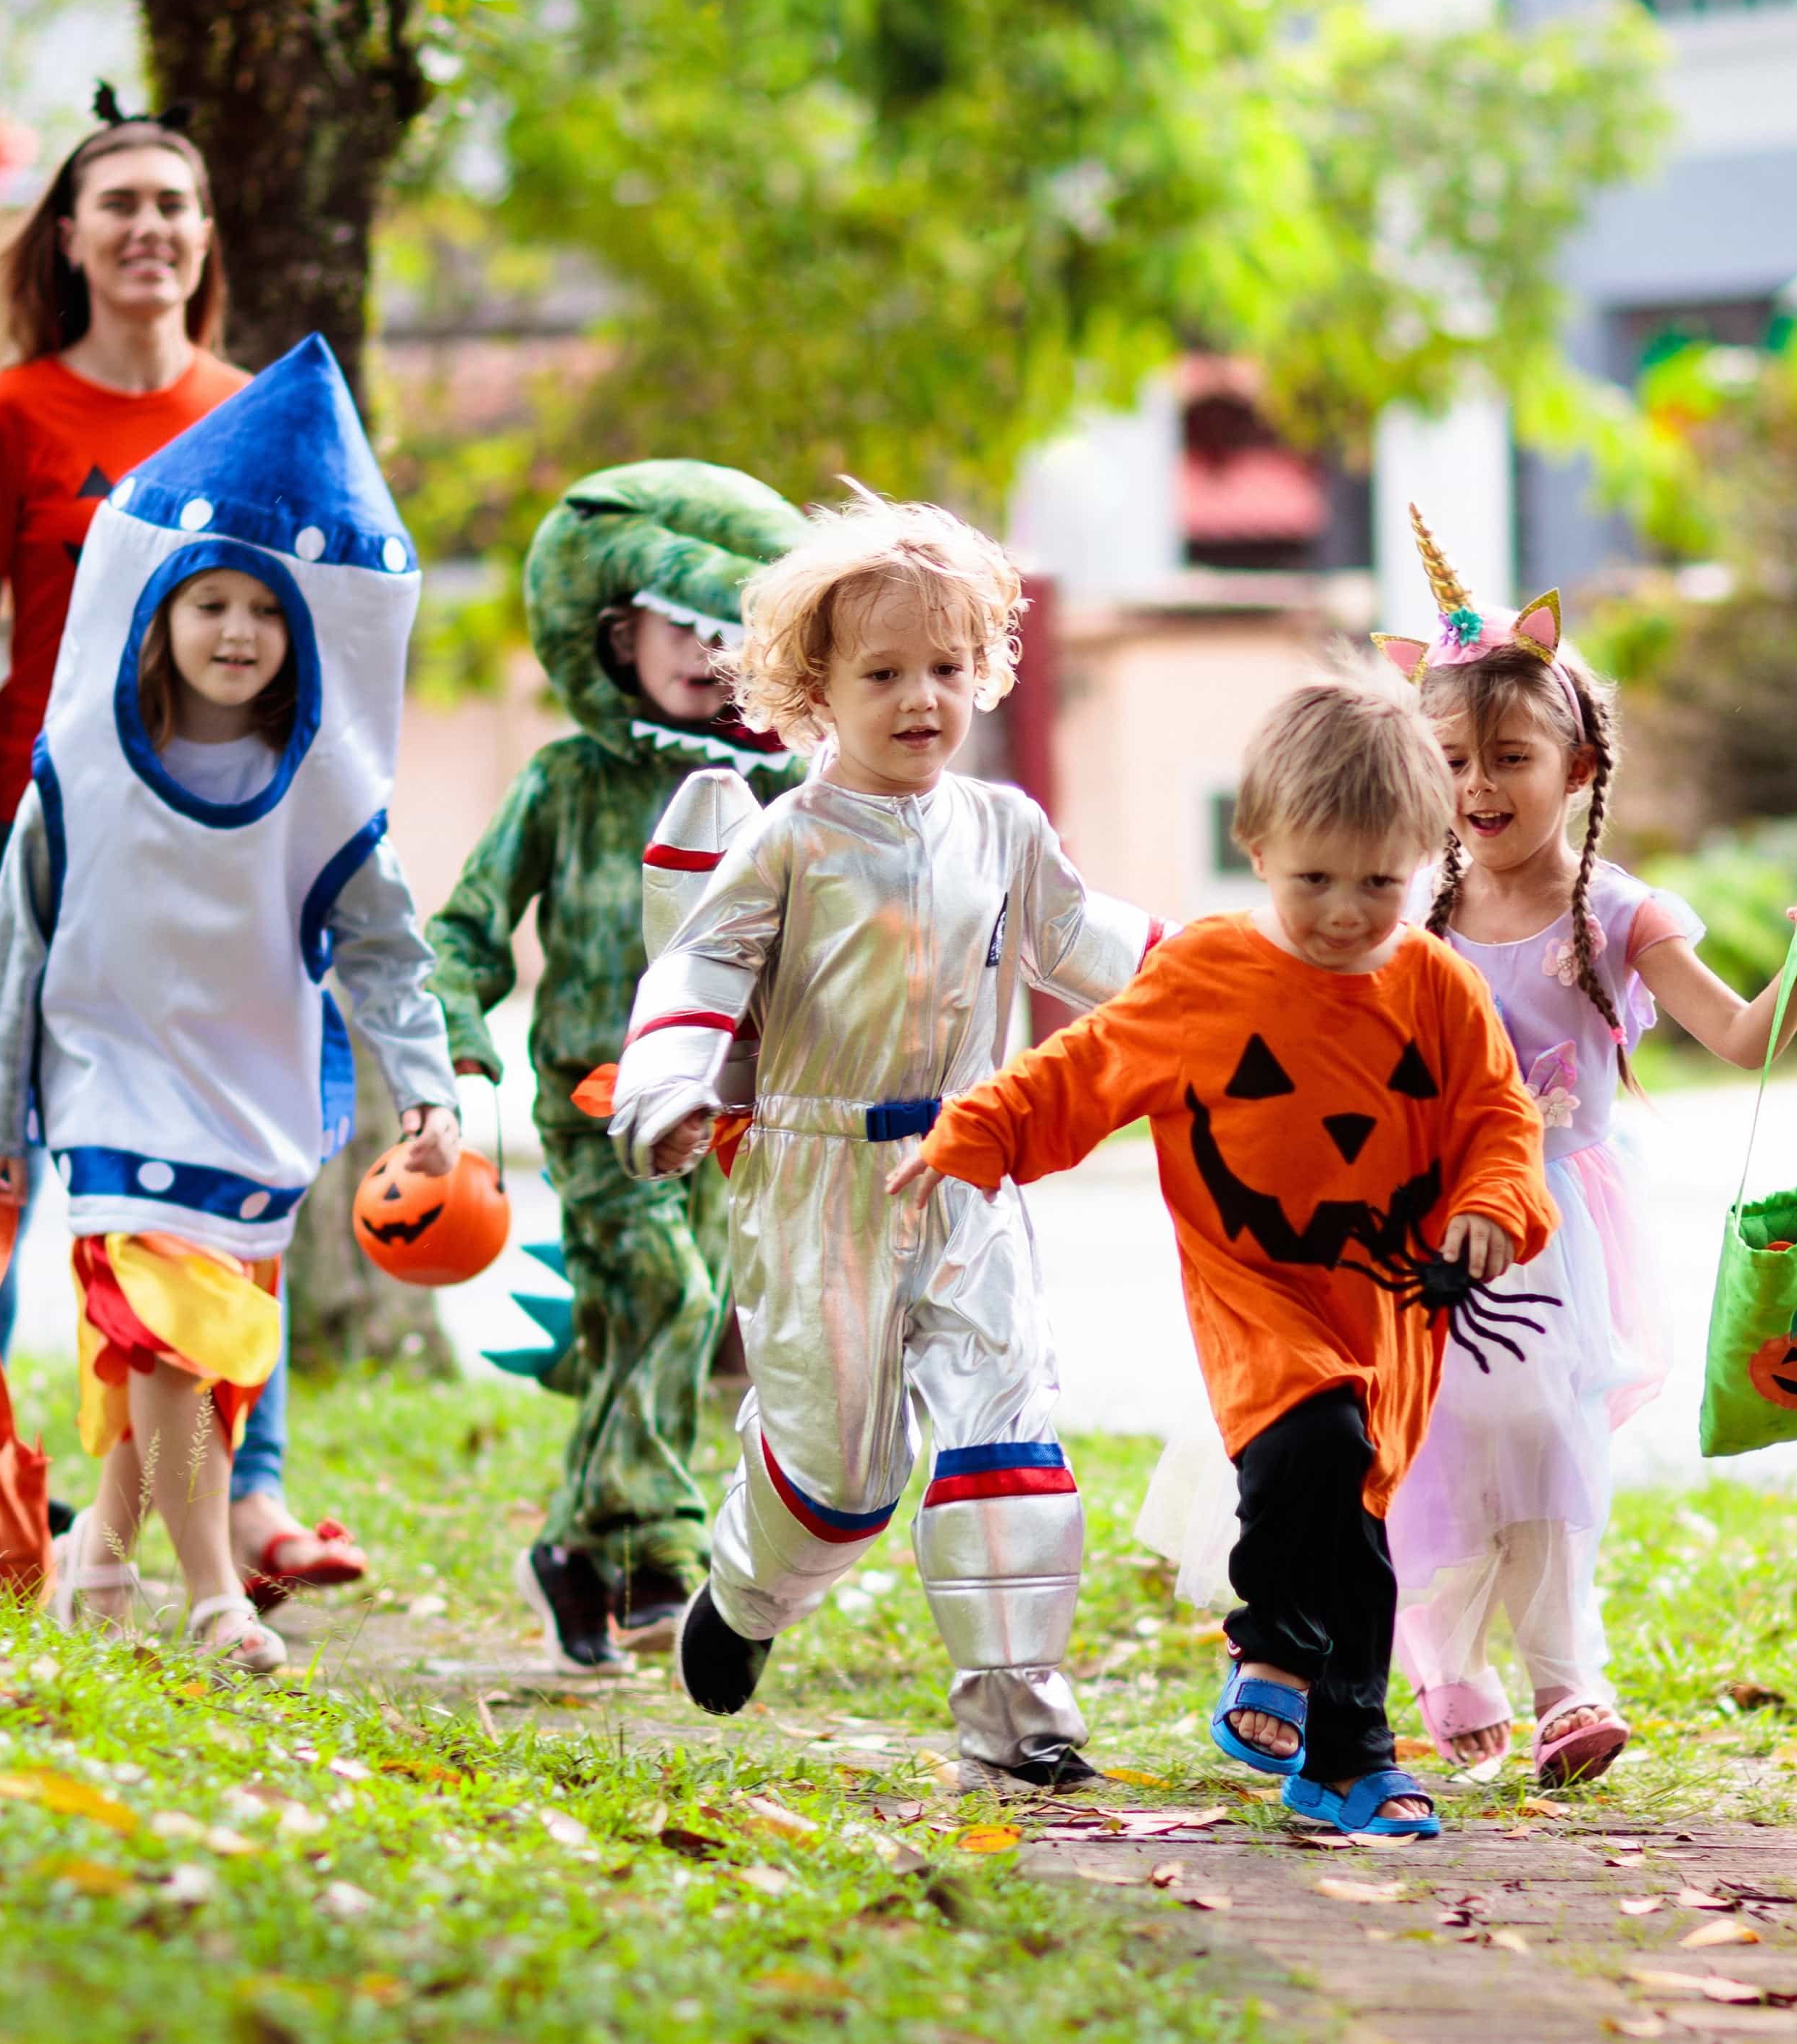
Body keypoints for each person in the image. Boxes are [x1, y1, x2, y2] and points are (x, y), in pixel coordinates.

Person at [893, 678, 1558, 1837]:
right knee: (1316, 1447)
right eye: (1315, 880)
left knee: (1352, 1499)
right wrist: (976, 1133)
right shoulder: (1208, 975)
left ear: (1428, 857)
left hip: (1392, 1301)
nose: (1347, 914)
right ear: (1255, 846)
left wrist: (1496, 1203)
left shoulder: (1438, 989)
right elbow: (1082, 1068)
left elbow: (1499, 1121)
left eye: (1380, 884)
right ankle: (1341, 1733)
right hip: (1257, 1288)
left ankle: (1297, 1694)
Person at [605, 493, 1154, 1790]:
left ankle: (1020, 1714)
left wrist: (1237, 991)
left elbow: (1091, 948)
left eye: (951, 669)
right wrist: (674, 1093)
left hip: (970, 1164)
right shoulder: (785, 840)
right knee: (844, 1474)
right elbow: (698, 971)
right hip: (817, 1179)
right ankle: (745, 1593)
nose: (924, 699)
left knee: (1001, 1425)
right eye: (886, 672)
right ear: (816, 686)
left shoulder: (1004, 827)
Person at [0, 337, 458, 1671]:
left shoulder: (328, 796)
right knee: (169, 1335)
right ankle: (214, 1597)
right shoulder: (85, 769)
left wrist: (431, 1092)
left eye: (267, 610)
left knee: (191, 1353)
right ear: (159, 608)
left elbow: (388, 955)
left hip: (254, 1098)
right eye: (212, 602)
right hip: (111, 1085)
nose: (238, 631)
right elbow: (18, 942)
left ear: (304, 632)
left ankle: (97, 1562)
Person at [0, 95, 356, 1609]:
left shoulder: (250, 414)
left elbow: (324, 651)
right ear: (69, 233)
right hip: (39, 828)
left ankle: (244, 1498)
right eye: (117, 201)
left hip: (230, 848)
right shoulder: (10, 417)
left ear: (204, 234)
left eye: (175, 201)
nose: (148, 226)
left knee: (238, 1164)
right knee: (19, 1165)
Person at [1379, 510, 1797, 1788]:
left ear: (1580, 764)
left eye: (1511, 756)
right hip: (1425, 1215)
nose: (1480, 786)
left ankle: (1565, 1681)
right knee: (1430, 1436)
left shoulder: (1614, 912)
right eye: (1454, 760)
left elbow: (1742, 1039)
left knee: (1543, 1422)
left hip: (1553, 1220)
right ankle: (1442, 1654)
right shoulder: (1406, 908)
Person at [426, 462, 809, 1673]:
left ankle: (577, 1553)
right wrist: (458, 1036)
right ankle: (663, 1549)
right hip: (599, 1104)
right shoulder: (567, 781)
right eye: (676, 625)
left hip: (728, 1112)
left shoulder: (785, 795)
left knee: (673, 1331)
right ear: (613, 631)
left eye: (728, 630)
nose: (704, 652)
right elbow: (467, 927)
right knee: (668, 1297)